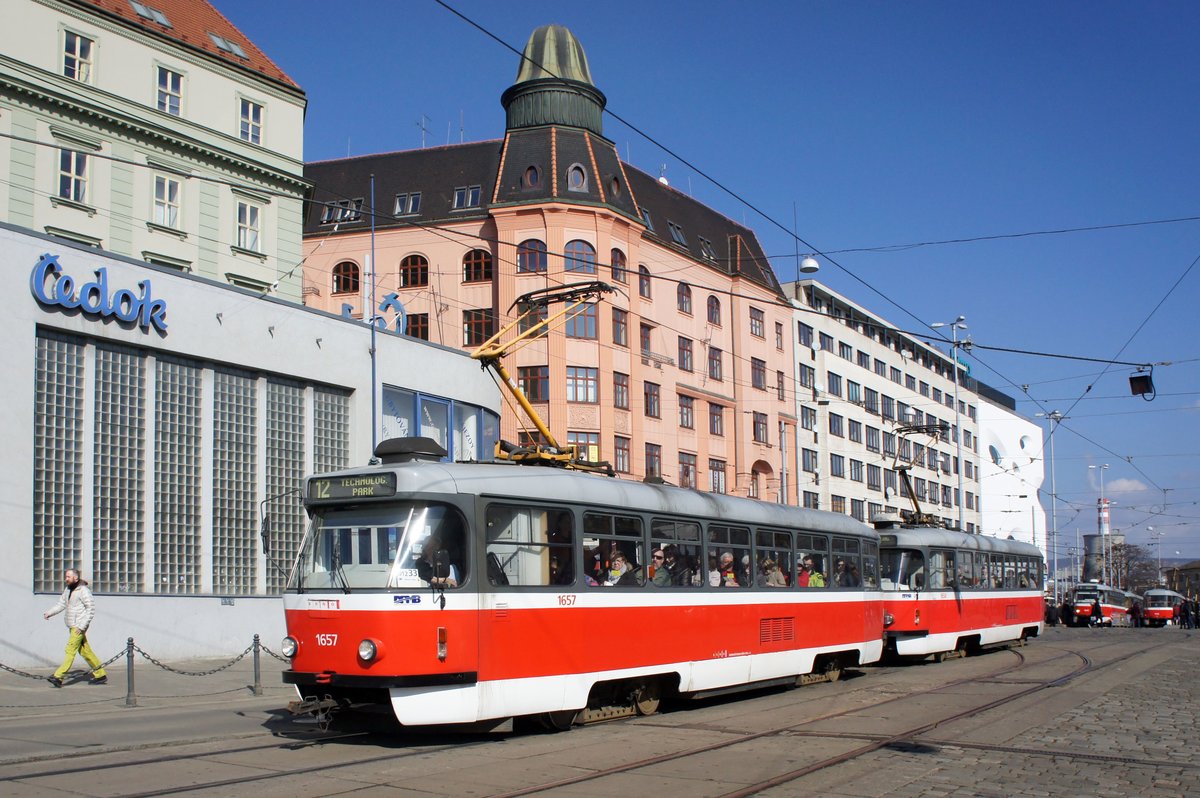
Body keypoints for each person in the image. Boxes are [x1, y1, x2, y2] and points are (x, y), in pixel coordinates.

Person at [43, 568, 107, 687]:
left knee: (70, 650)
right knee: (85, 651)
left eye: (68, 577)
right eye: (66, 576)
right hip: (73, 626)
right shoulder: (68, 590)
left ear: (75, 578)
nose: (66, 579)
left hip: (78, 627)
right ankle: (100, 674)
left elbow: (91, 609)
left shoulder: (83, 590)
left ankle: (58, 676)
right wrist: (49, 613)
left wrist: (82, 626)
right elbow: (61, 604)